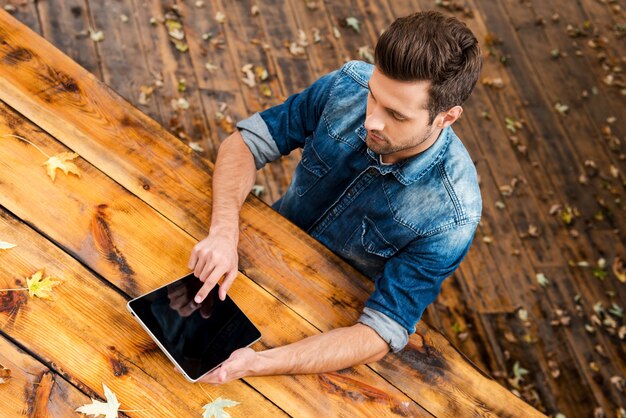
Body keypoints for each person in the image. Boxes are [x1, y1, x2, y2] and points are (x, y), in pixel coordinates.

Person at [187, 10, 483, 384]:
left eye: (396, 114)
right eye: (374, 97)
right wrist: (224, 232)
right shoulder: (346, 86)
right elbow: (247, 142)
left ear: (447, 117)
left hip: (321, 329)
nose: (372, 120)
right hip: (247, 260)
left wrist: (259, 364)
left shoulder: (453, 216)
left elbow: (381, 330)